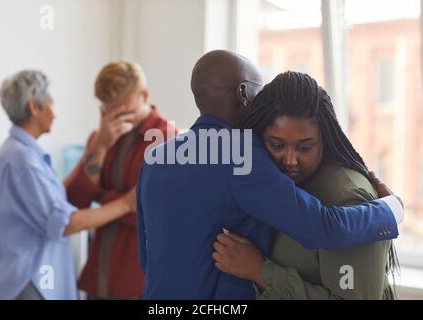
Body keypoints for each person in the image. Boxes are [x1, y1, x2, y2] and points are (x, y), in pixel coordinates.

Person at [136, 50, 404, 299]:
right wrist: (391, 210)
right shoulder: (242, 155)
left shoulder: (156, 158)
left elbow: (147, 256)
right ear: (243, 92)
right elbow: (323, 227)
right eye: (259, 91)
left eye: (304, 146)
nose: (289, 159)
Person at [212, 71, 399, 300]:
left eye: (305, 147)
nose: (290, 160)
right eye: (276, 144)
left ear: (324, 138)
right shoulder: (266, 181)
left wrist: (260, 272)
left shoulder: (348, 197)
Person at [0, 70, 136, 300]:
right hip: (32, 282)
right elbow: (64, 222)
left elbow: (58, 199)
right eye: (50, 103)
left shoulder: (21, 153)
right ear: (34, 108)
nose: (54, 113)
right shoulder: (23, 160)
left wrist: (98, 146)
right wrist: (126, 204)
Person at [64, 60, 174, 299]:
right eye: (109, 110)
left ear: (143, 95)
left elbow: (154, 212)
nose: (117, 117)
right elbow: (72, 204)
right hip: (99, 277)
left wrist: (102, 199)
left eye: (124, 109)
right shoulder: (100, 137)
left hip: (139, 282)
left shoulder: (168, 139)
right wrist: (100, 146)